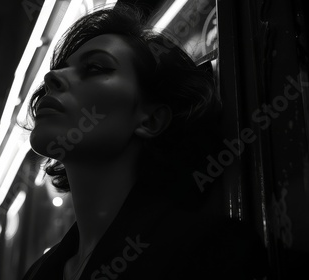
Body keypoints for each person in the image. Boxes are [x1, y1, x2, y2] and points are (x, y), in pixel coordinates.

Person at [21, 4, 267, 280]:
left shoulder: (210, 253)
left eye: (95, 67)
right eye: (61, 68)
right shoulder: (39, 272)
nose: (51, 77)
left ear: (150, 120)